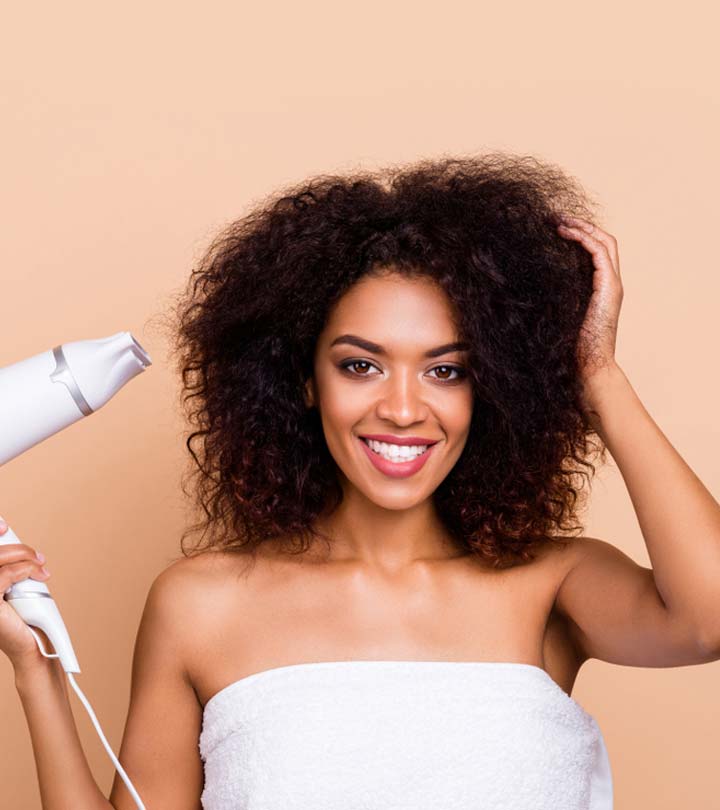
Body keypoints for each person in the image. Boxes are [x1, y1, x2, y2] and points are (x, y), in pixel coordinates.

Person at [3, 153, 719, 809]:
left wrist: (596, 375)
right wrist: (36, 666)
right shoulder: (201, 605)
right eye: (360, 365)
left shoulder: (552, 586)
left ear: (494, 385)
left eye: (447, 370)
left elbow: (708, 619)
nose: (403, 409)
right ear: (304, 380)